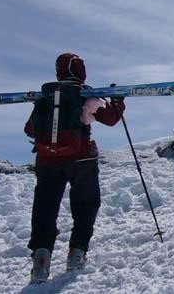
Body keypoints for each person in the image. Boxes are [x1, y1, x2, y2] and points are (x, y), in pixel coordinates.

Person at [24, 53, 125, 284]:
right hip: (81, 161)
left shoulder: (45, 98)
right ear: (80, 71)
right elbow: (109, 118)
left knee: (45, 208)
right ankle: (76, 253)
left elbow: (30, 129)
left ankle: (41, 259)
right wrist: (117, 102)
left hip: (47, 161)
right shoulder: (84, 95)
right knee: (86, 204)